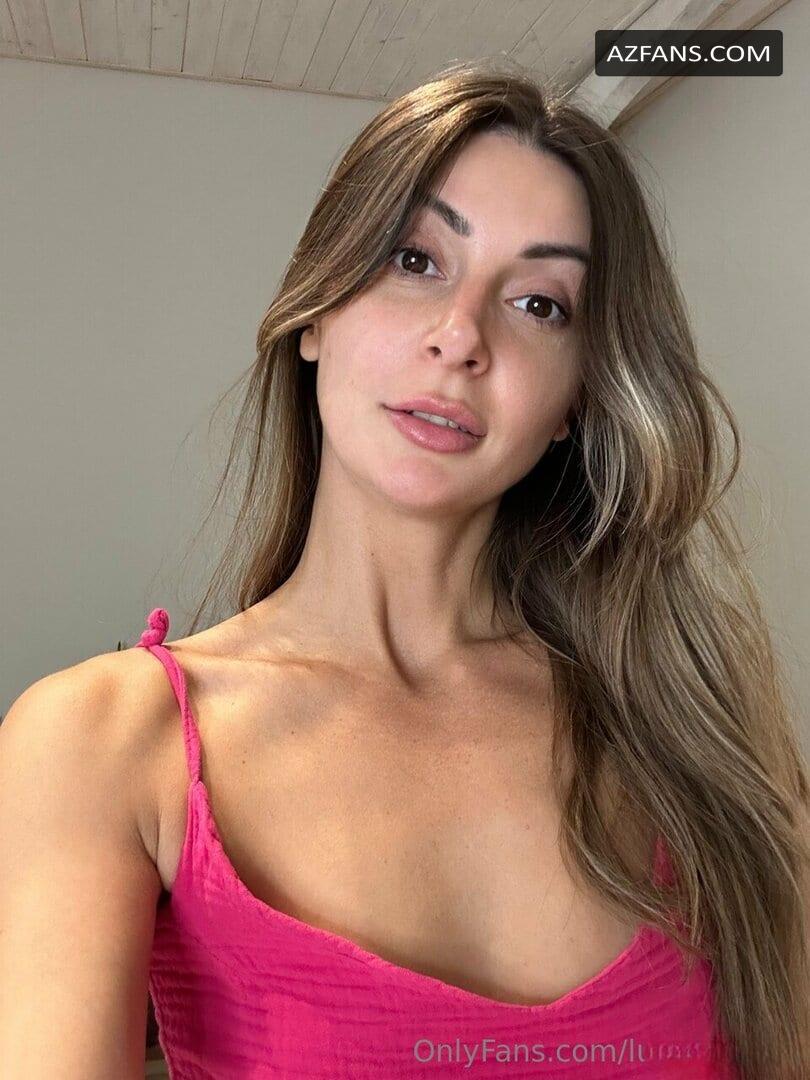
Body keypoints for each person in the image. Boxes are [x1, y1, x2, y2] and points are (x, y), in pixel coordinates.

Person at [1, 58, 807, 1080]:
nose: (460, 336)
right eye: (415, 260)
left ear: (578, 402)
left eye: (540, 304)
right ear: (315, 313)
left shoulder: (705, 741)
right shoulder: (105, 743)